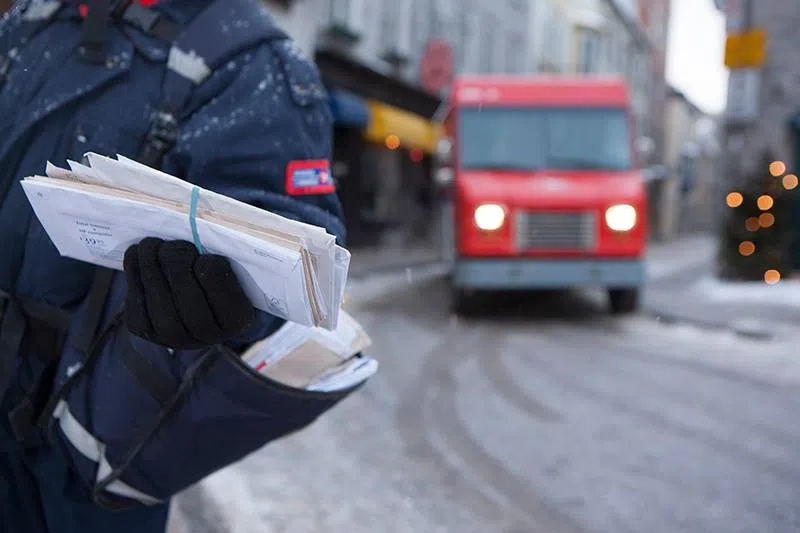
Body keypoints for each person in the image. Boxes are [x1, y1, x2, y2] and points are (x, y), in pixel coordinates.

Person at [0, 0, 347, 532]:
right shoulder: (35, 18)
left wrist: (218, 307)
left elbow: (293, 257)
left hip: (85, 441)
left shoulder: (248, 59)